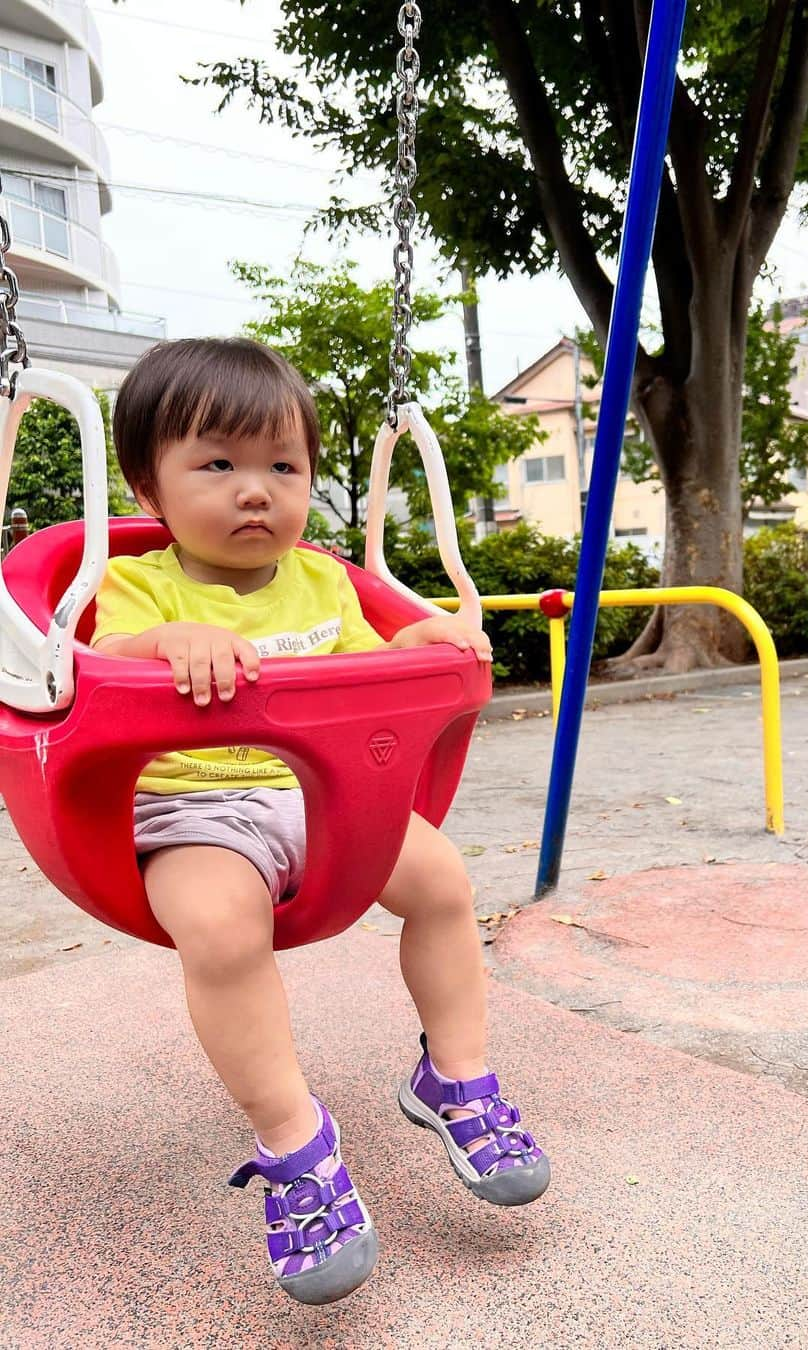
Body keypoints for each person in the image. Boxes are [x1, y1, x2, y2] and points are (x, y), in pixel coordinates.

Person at [91, 337, 549, 1306]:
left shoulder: (325, 581)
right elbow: (102, 659)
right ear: (147, 487)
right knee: (218, 931)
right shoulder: (137, 582)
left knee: (443, 883)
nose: (255, 489)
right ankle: (295, 1143)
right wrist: (168, 640)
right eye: (218, 464)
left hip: (324, 798)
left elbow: (374, 649)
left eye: (283, 467)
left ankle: (454, 1077)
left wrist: (423, 636)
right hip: (194, 804)